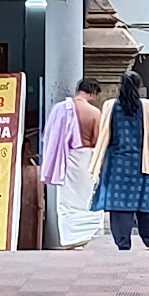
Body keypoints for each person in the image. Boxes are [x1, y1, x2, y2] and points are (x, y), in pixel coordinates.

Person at [90, 71, 149, 250]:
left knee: (119, 205)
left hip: (116, 164)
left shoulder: (110, 106)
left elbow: (103, 133)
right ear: (139, 87)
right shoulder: (146, 106)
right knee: (144, 202)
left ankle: (123, 244)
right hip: (142, 163)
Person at [40, 78, 104, 248]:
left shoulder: (59, 109)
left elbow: (49, 137)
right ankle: (87, 234)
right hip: (86, 159)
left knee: (67, 200)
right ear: (92, 93)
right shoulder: (94, 113)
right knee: (87, 198)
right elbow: (98, 141)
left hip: (64, 159)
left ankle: (70, 237)